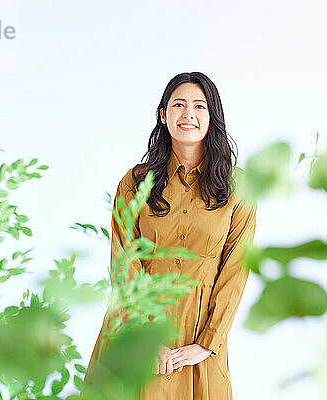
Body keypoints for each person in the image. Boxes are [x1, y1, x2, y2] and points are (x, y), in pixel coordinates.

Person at [87, 72, 257, 400]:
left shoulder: (239, 188)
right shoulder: (135, 183)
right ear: (164, 115)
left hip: (200, 341)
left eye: (199, 106)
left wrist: (208, 342)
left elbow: (236, 270)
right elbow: (124, 262)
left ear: (212, 117)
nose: (188, 114)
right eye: (178, 105)